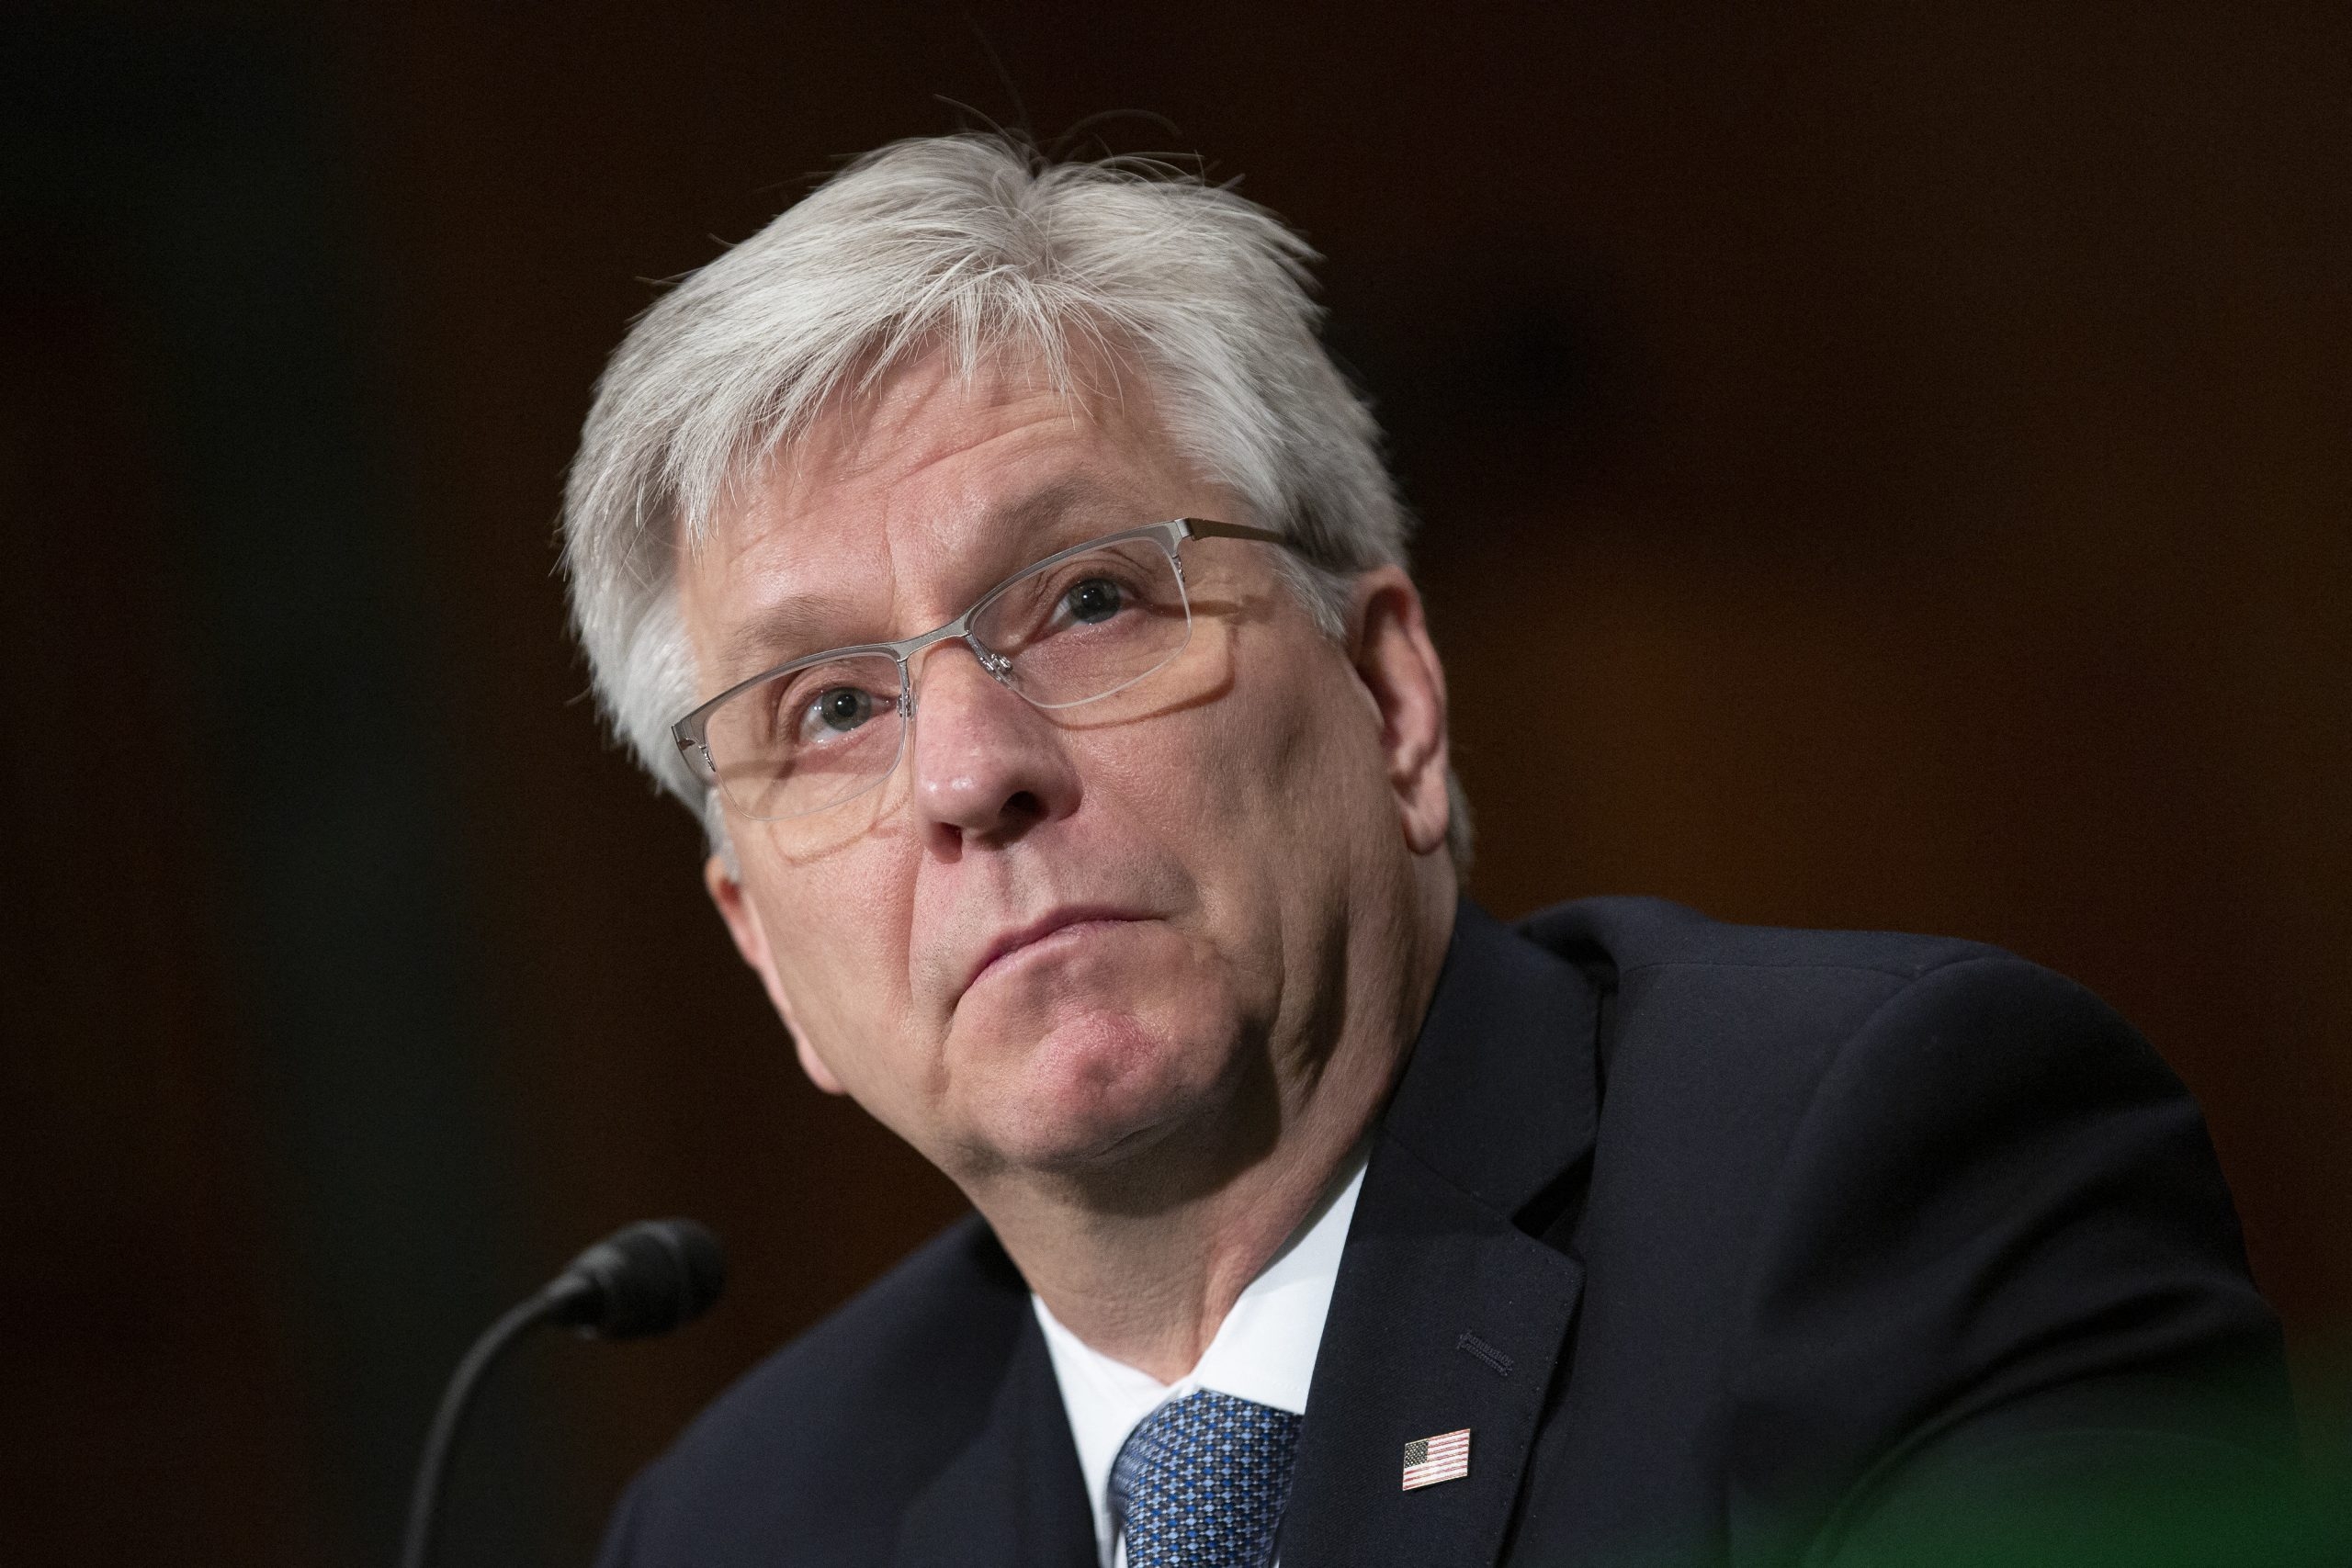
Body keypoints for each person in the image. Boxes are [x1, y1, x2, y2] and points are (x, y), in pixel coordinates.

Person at [560, 134, 2299, 1568]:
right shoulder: (742, 1525)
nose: (967, 773)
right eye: (829, 709)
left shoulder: (1880, 1172)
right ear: (762, 946)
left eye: (1089, 600)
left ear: (1392, 697)